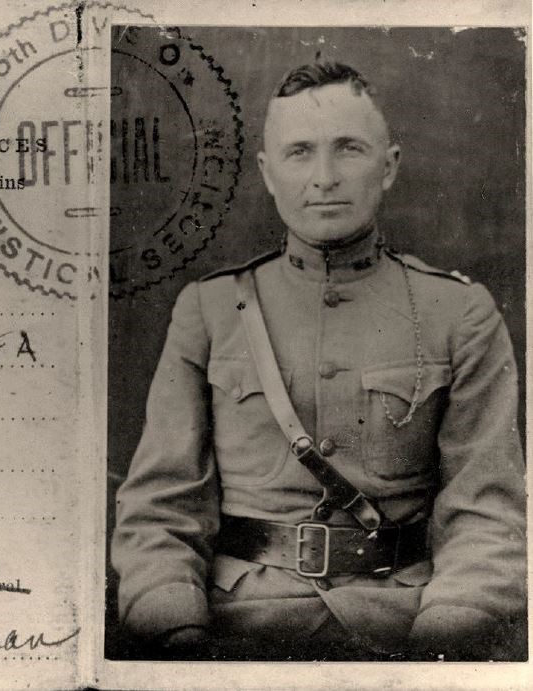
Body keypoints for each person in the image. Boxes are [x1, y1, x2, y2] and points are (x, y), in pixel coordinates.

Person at [111, 60, 526, 660]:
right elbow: (160, 508)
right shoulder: (209, 310)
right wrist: (178, 633)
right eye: (299, 152)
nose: (324, 177)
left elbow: (488, 513)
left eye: (349, 149)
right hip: (234, 627)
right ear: (268, 172)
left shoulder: (458, 313)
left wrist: (444, 640)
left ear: (389, 167)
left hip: (403, 628)